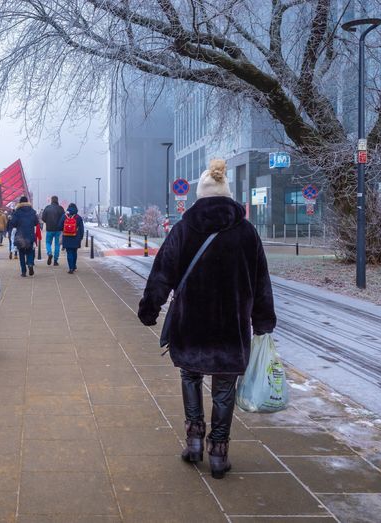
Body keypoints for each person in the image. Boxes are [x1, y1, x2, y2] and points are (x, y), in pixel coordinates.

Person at [137, 159, 276, 480]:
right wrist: (263, 322)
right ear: (228, 196)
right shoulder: (246, 232)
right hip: (231, 327)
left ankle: (194, 441)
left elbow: (162, 274)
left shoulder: (184, 229)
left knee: (190, 376)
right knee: (224, 389)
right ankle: (219, 454)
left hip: (192, 324)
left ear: (200, 196)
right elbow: (261, 283)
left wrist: (149, 309)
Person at [8, 196, 39, 277]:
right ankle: (30, 264)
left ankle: (23, 272)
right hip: (30, 234)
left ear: (20, 203)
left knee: (21, 253)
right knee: (30, 251)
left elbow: (13, 223)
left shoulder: (17, 212)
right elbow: (36, 222)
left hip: (20, 235)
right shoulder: (32, 211)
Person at [58, 203, 84, 274]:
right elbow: (81, 229)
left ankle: (71, 268)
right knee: (74, 252)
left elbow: (59, 226)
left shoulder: (64, 216)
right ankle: (74, 266)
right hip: (76, 237)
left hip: (66, 237)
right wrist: (81, 237)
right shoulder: (78, 217)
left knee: (69, 252)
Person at [41, 195, 65, 266]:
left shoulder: (47, 208)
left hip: (49, 229)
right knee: (57, 245)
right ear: (57, 200)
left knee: (48, 242)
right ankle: (55, 261)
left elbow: (43, 218)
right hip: (58, 229)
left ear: (51, 200)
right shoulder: (61, 208)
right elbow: (63, 219)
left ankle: (49, 253)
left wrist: (48, 222)